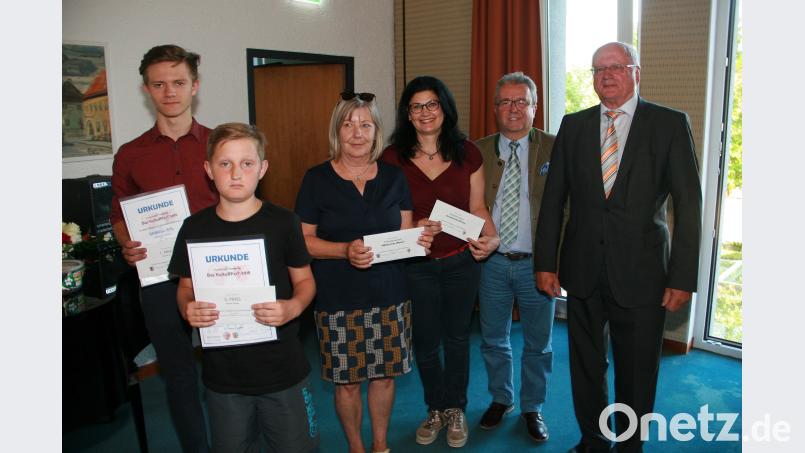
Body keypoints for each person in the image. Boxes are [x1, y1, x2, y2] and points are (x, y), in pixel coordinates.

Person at [534, 42, 702, 453]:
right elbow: (554, 200)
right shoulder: (573, 126)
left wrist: (683, 278)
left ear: (636, 73)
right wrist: (545, 263)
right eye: (597, 69)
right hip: (583, 268)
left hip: (643, 274)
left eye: (616, 67)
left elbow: (689, 205)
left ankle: (629, 446)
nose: (606, 75)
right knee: (586, 365)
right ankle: (592, 439)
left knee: (638, 369)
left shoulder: (668, 124)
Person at [168, 123, 319, 453]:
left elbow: (305, 281)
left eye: (247, 163)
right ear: (209, 170)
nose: (236, 173)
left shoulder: (284, 222)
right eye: (225, 164)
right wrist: (186, 307)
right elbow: (185, 288)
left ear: (262, 169)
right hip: (224, 377)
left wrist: (292, 307)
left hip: (283, 371)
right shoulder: (194, 227)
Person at [295, 92, 432, 453]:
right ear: (336, 131)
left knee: (384, 377)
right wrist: (343, 250)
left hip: (389, 293)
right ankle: (357, 447)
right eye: (348, 124)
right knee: (348, 381)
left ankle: (381, 446)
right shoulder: (316, 179)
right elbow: (304, 241)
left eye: (366, 125)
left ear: (376, 132)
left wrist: (422, 234)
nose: (357, 133)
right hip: (337, 296)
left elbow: (404, 235)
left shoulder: (394, 177)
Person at [382, 76, 500, 449]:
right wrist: (412, 226)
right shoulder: (390, 158)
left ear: (445, 108)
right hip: (415, 265)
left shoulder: (468, 153)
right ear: (407, 114)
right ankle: (435, 407)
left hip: (460, 262)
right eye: (416, 106)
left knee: (458, 338)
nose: (425, 112)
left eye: (432, 104)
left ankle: (457, 409)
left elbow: (478, 207)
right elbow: (384, 215)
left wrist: (491, 237)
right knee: (427, 341)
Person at [110, 44, 216, 452]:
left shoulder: (218, 145)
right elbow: (119, 214)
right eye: (159, 84)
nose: (169, 92)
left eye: (178, 82)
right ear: (146, 89)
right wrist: (127, 244)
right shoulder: (130, 155)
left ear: (194, 86)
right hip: (158, 279)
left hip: (217, 272)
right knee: (178, 374)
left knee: (231, 366)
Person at [475, 72, 555, 442]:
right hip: (491, 264)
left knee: (538, 343)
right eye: (505, 102)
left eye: (521, 101)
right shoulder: (476, 152)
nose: (513, 109)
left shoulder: (557, 148)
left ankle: (532, 407)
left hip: (537, 265)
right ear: (495, 109)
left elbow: (568, 210)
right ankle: (501, 398)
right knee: (493, 338)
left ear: (535, 108)